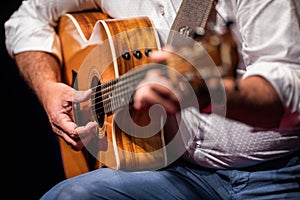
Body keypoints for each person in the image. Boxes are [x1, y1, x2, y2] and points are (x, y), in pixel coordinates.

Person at [5, 0, 300, 199]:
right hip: (174, 170)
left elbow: (292, 89)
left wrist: (207, 92)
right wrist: (48, 88)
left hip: (278, 171)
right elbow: (27, 18)